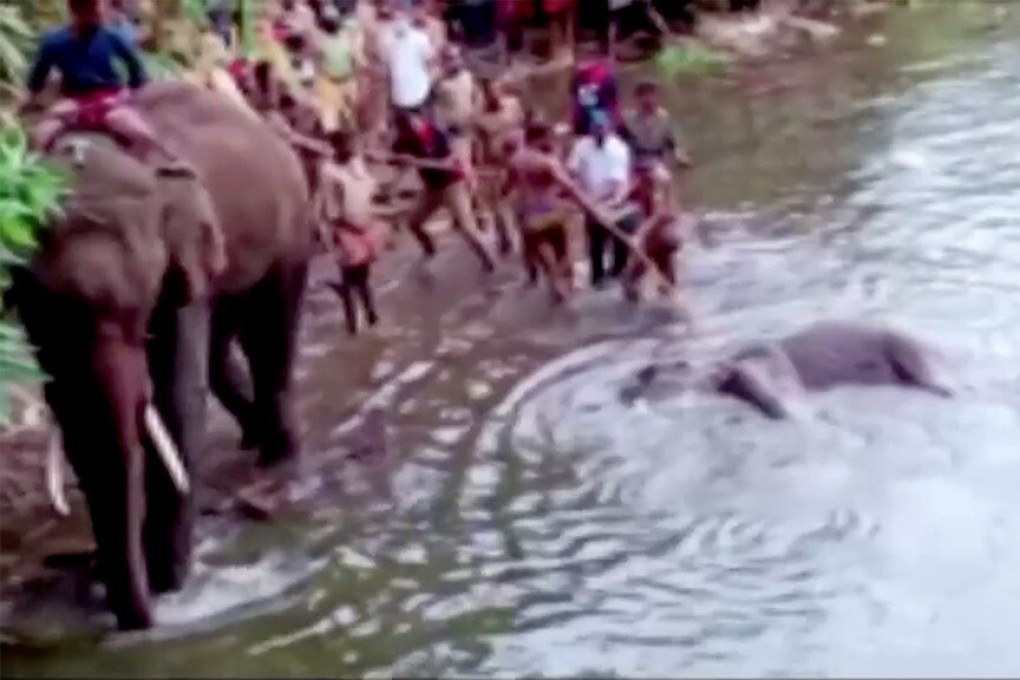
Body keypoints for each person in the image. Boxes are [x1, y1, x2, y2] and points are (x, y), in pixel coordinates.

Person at [23, 0, 191, 175]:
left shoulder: (112, 37)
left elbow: (137, 73)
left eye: (97, 10)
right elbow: (36, 80)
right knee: (40, 135)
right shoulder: (55, 41)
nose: (98, 14)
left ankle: (153, 167)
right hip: (75, 103)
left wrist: (126, 93)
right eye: (90, 12)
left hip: (109, 100)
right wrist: (32, 104)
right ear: (75, 12)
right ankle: (28, 173)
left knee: (141, 133)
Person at [507, 121, 614, 304]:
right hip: (552, 216)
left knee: (550, 271)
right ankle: (570, 292)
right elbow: (570, 187)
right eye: (549, 138)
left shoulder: (515, 160)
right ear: (539, 138)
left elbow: (507, 187)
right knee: (565, 259)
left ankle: (552, 291)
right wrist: (592, 209)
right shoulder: (546, 162)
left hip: (529, 219)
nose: (552, 141)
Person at [388, 109, 493, 271]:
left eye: (409, 125)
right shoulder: (403, 140)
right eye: (402, 128)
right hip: (431, 188)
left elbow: (448, 159)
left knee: (466, 227)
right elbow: (395, 161)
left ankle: (488, 260)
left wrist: (417, 161)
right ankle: (430, 250)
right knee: (413, 223)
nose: (408, 130)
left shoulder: (432, 133)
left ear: (416, 120)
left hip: (452, 184)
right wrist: (395, 163)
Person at [319, 130, 385, 335]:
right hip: (346, 228)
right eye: (349, 144)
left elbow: (370, 191)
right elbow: (331, 208)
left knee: (363, 276)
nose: (354, 148)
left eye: (354, 144)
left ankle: (371, 315)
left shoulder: (357, 164)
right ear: (337, 147)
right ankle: (353, 324)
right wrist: (334, 229)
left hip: (364, 225)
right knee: (349, 277)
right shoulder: (329, 172)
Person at [566, 109, 633, 288]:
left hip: (615, 198)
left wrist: (611, 203)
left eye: (602, 128)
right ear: (591, 129)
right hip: (589, 198)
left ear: (608, 128)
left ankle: (617, 271)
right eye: (596, 128)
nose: (599, 131)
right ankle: (597, 277)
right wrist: (585, 201)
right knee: (596, 241)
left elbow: (619, 184)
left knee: (621, 239)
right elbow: (572, 173)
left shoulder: (618, 148)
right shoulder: (581, 146)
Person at [474, 75, 524, 254]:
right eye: (488, 94)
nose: (492, 97)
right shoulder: (480, 117)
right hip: (494, 164)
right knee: (497, 203)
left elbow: (522, 128)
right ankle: (504, 237)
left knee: (518, 200)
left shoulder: (513, 105)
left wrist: (520, 149)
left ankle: (522, 233)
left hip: (515, 160)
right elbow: (480, 143)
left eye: (495, 92)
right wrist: (480, 168)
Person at [622, 154, 681, 301]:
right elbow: (625, 197)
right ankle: (668, 300)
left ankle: (635, 311)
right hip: (668, 234)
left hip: (660, 235)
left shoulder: (655, 184)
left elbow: (658, 214)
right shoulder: (654, 180)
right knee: (665, 273)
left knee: (629, 279)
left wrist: (640, 234)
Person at [619, 80, 690, 169]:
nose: (649, 99)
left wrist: (679, 155)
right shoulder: (628, 119)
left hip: (657, 161)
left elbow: (673, 142)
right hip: (635, 161)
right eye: (643, 95)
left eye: (652, 95)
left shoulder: (664, 119)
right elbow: (618, 143)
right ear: (637, 99)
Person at [379, 6, 435, 117]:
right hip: (418, 93)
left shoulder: (385, 38)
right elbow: (430, 61)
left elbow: (385, 64)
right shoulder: (421, 38)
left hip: (400, 96)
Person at [570, 51, 620, 136]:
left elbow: (615, 102)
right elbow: (574, 103)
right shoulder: (578, 79)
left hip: (599, 121)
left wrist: (614, 122)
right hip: (586, 122)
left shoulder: (606, 78)